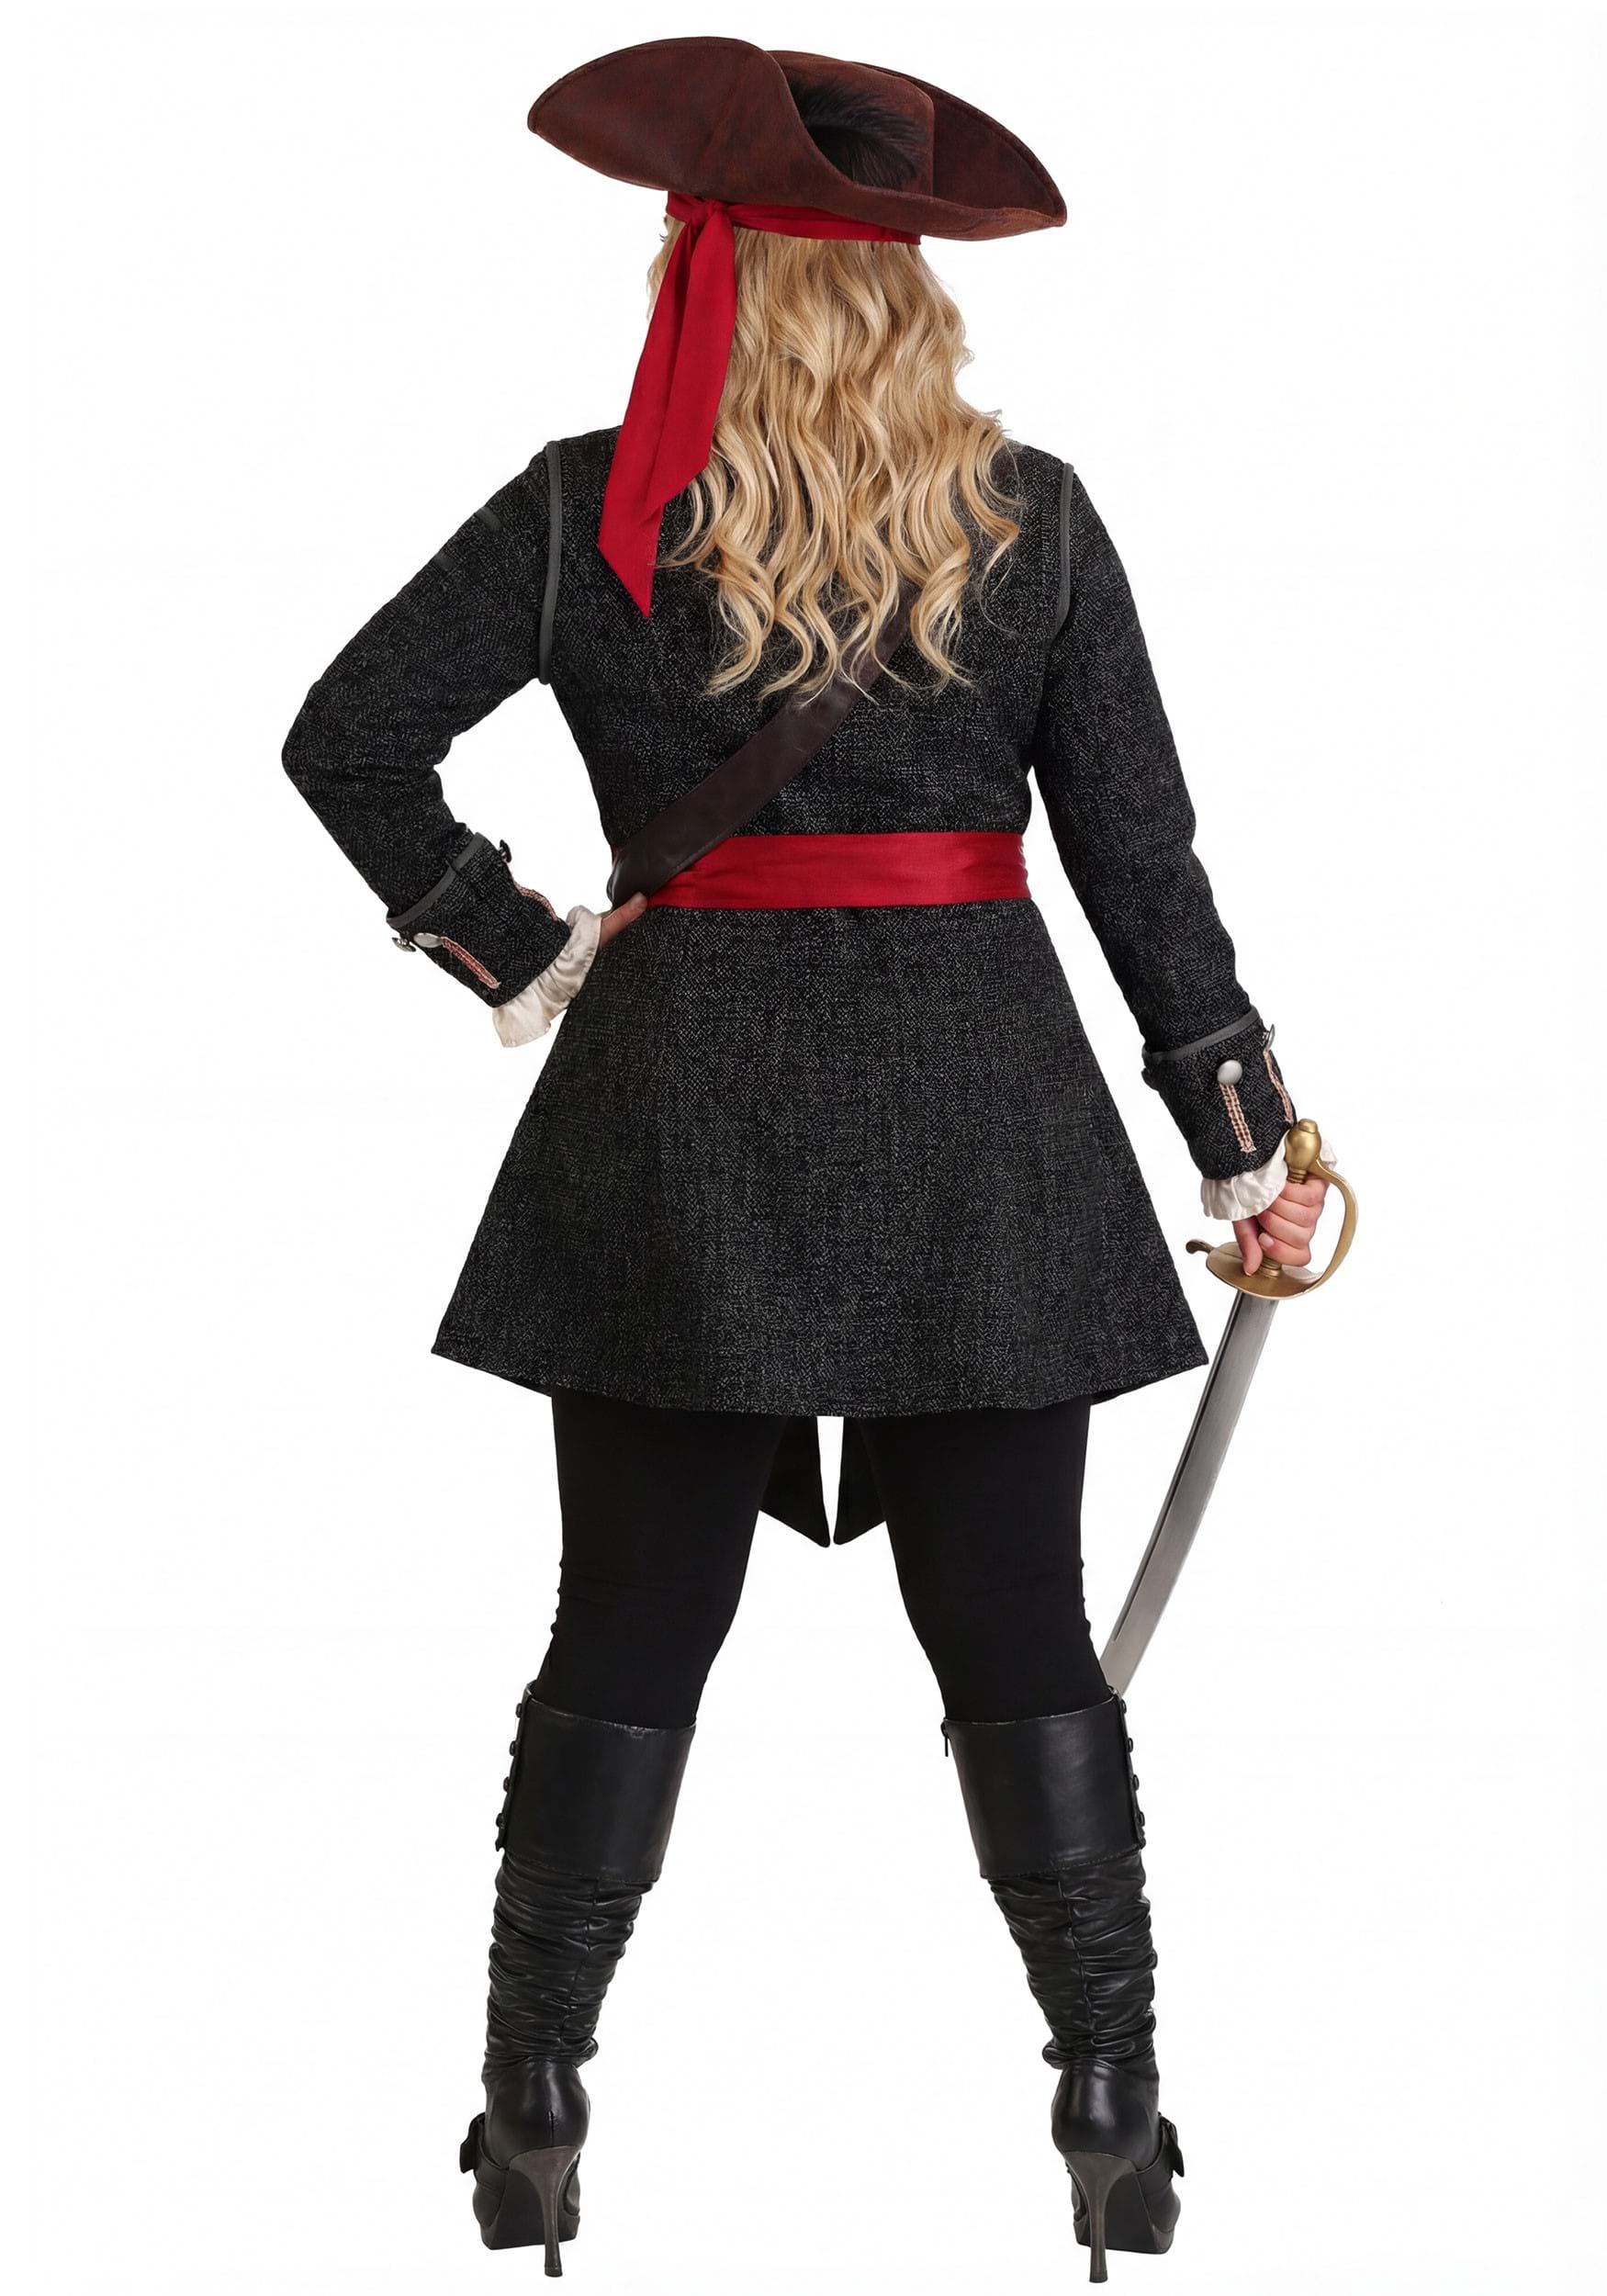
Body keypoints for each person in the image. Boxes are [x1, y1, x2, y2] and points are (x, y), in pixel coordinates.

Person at [281, 38, 1330, 2283]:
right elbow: (1140, 869)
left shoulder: (587, 510)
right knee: (1020, 1630)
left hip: (677, 1121)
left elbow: (344, 737)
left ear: (707, 278)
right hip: (982, 1129)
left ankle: (529, 2098)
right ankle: (1111, 2100)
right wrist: (1240, 1138)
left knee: (622, 1624)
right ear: (907, 297)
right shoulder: (1030, 519)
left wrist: (514, 947)